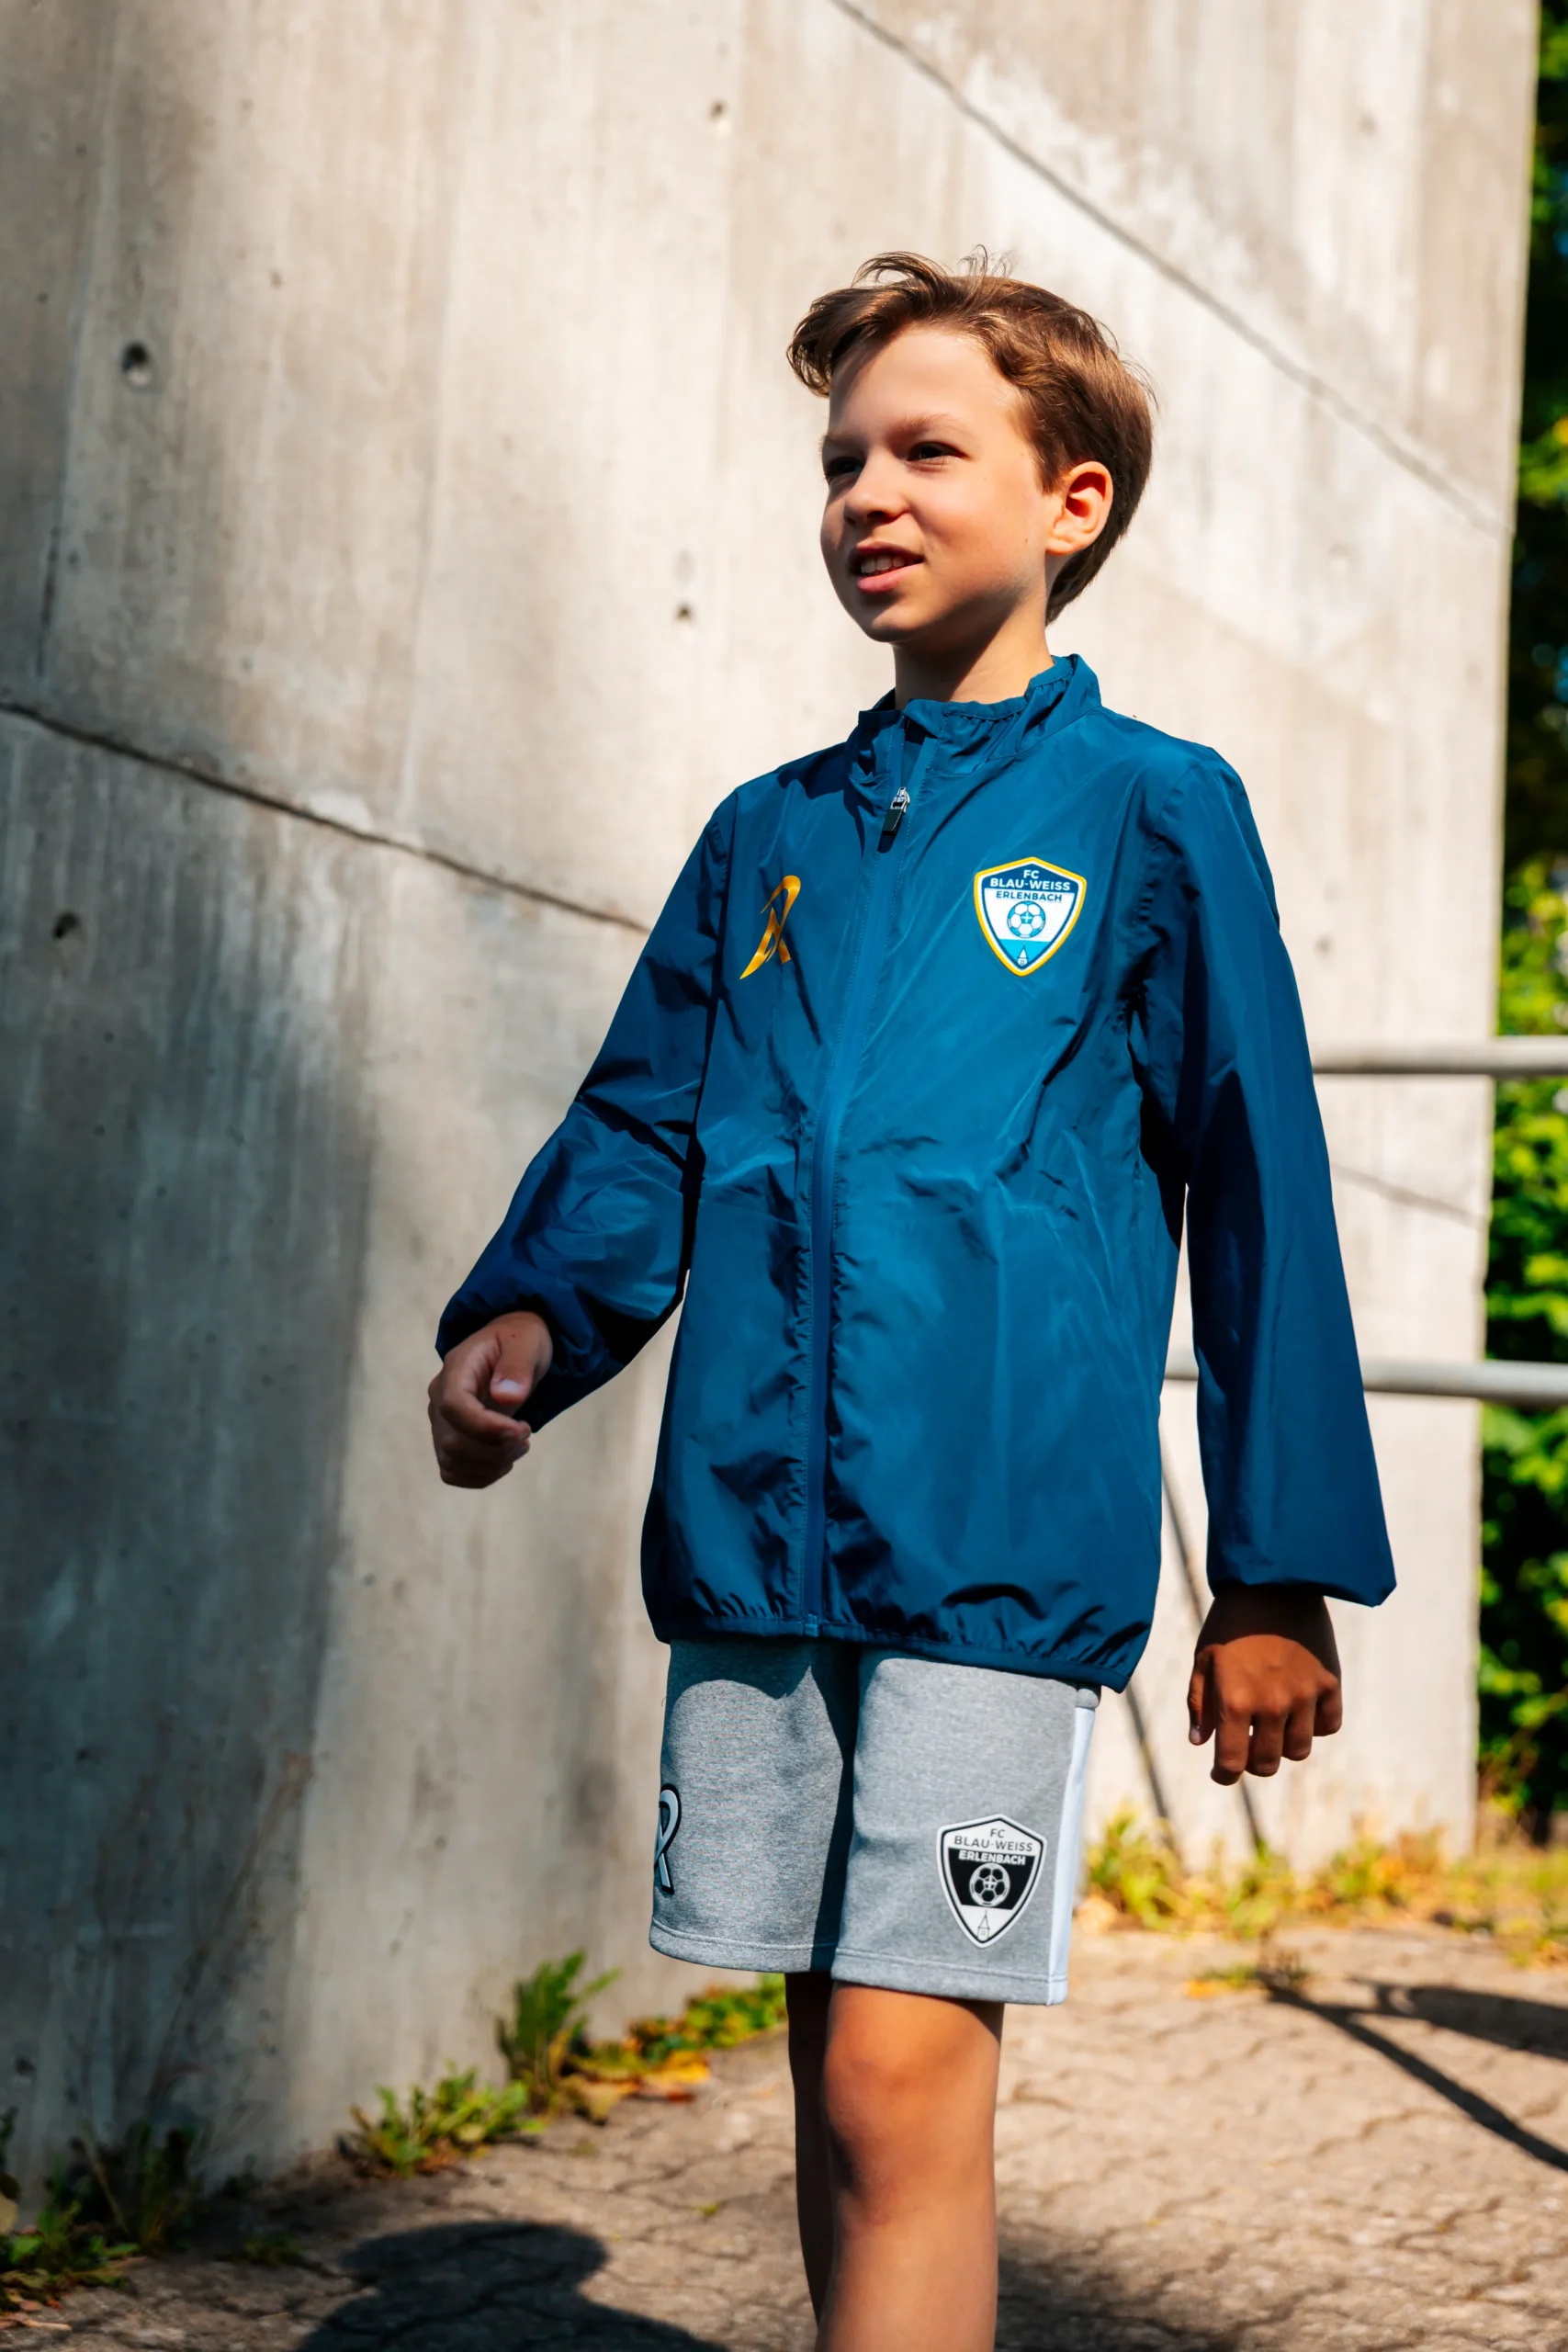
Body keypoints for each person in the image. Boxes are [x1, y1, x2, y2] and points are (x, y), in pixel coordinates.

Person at [427, 253, 1394, 2352]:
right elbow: (647, 1119)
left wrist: (1273, 1564)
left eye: (926, 449)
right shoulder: (760, 834)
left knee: (897, 2066)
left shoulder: (1152, 809)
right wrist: (535, 1318)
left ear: (1070, 499)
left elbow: (1259, 1180)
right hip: (758, 1537)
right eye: (840, 459)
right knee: (829, 2054)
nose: (866, 492)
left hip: (988, 1549)